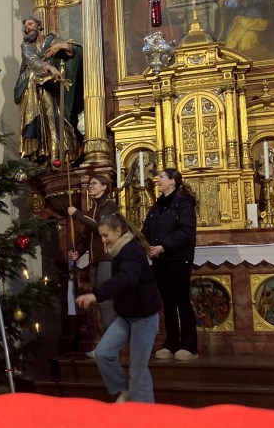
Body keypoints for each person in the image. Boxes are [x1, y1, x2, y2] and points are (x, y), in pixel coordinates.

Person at [75, 213, 161, 403]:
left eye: (106, 236)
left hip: (144, 317)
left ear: (118, 231)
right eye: (101, 236)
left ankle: (147, 415)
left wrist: (95, 295)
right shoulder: (121, 250)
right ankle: (124, 391)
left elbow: (126, 279)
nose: (104, 241)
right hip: (126, 316)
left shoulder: (131, 251)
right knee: (103, 353)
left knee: (138, 370)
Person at [143, 168, 198, 361]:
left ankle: (190, 345)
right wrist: (145, 244)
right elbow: (147, 229)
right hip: (160, 259)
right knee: (167, 303)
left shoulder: (184, 203)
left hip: (178, 258)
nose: (157, 180)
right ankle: (171, 342)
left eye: (161, 177)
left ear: (173, 181)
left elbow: (185, 232)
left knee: (182, 300)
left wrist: (163, 246)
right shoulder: (157, 205)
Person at [14, 16, 83, 167]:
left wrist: (61, 46)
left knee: (54, 117)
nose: (28, 28)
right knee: (42, 120)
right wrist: (51, 68)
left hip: (52, 87)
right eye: (25, 26)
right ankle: (46, 155)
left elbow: (74, 49)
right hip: (33, 88)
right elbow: (33, 61)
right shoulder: (26, 46)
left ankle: (57, 153)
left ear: (39, 26)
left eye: (30, 24)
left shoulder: (51, 41)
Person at [67, 174, 118, 354]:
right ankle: (104, 344)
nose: (90, 186)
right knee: (99, 302)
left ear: (104, 187)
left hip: (106, 259)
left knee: (105, 301)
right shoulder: (92, 209)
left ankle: (109, 346)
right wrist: (78, 252)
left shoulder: (109, 205)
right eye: (90, 184)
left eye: (94, 184)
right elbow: (87, 237)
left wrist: (78, 214)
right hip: (94, 260)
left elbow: (100, 228)